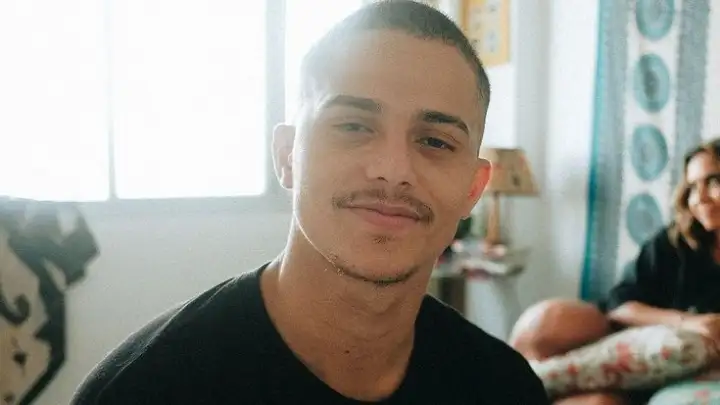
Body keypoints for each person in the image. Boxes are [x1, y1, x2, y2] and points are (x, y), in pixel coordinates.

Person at [71, 2, 550, 404]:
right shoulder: (144, 389)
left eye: (435, 141)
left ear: (473, 189)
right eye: (353, 126)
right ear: (287, 156)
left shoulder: (504, 388)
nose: (393, 169)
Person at [510, 138, 720, 405]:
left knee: (600, 403)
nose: (699, 199)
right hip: (637, 346)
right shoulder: (675, 242)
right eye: (692, 187)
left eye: (713, 182)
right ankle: (515, 382)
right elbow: (620, 306)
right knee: (542, 325)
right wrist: (687, 322)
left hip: (684, 371)